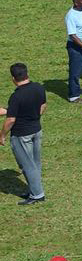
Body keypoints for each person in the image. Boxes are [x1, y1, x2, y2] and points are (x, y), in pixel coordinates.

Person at [0, 60, 47, 202]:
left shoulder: (16, 96)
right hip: (36, 130)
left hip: (21, 135)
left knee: (27, 165)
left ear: (13, 78)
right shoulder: (38, 88)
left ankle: (37, 194)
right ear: (27, 74)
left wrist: (2, 135)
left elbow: (10, 120)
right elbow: (42, 106)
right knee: (35, 163)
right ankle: (34, 189)